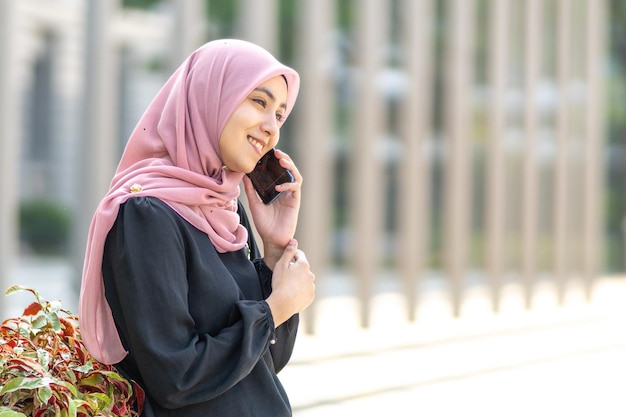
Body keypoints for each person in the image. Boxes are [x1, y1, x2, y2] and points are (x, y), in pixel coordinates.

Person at [78, 39, 316, 416]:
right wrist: (273, 309)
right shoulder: (146, 214)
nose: (271, 128)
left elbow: (266, 364)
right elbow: (176, 377)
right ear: (211, 97)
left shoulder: (222, 208)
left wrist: (273, 250)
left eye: (280, 115)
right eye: (259, 102)